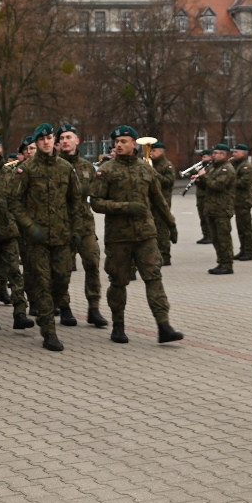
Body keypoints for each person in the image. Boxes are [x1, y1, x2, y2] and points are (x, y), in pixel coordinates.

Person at [89, 125, 182, 345]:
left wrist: (171, 224)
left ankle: (163, 325)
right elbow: (96, 203)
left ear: (134, 144)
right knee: (119, 282)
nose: (119, 145)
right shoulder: (106, 170)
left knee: (154, 277)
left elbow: (158, 200)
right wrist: (125, 207)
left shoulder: (146, 169)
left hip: (146, 234)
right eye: (117, 142)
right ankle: (118, 326)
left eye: (123, 141)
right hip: (118, 237)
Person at [11, 123, 89, 351]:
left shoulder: (65, 168)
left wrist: (76, 230)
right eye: (41, 138)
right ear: (36, 142)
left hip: (62, 236)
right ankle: (49, 331)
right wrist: (29, 227)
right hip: (37, 239)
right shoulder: (26, 170)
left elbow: (76, 201)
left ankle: (50, 312)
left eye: (49, 138)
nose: (46, 142)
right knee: (42, 284)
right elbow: (15, 202)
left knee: (61, 280)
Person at [0, 135, 34, 331]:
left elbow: (16, 198)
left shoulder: (9, 173)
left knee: (15, 273)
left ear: (0, 149)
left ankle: (20, 312)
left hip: (9, 231)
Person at [56, 123, 108, 327]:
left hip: (85, 224)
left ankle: (94, 308)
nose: (66, 141)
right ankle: (65, 307)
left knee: (92, 264)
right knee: (62, 270)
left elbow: (95, 194)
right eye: (62, 138)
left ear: (77, 140)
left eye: (69, 137)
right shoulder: (55, 166)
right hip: (62, 225)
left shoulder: (87, 167)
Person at [195, 143, 236, 274]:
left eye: (219, 153)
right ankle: (221, 262)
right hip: (211, 208)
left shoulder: (226, 169)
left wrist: (204, 177)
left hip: (222, 209)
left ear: (225, 155)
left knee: (223, 238)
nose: (215, 155)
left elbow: (217, 186)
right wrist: (198, 180)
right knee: (216, 238)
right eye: (215, 153)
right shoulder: (213, 168)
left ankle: (227, 264)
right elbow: (206, 187)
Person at [148, 142, 176, 266]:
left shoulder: (167, 165)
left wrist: (155, 174)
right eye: (151, 151)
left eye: (154, 151)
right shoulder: (150, 163)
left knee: (162, 229)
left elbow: (169, 182)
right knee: (153, 228)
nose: (151, 153)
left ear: (161, 151)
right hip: (151, 200)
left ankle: (165, 255)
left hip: (163, 201)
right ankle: (155, 253)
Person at [231, 143, 252, 261]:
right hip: (237, 200)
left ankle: (249, 251)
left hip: (244, 200)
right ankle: (243, 249)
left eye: (236, 152)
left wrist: (229, 179)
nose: (233, 154)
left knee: (246, 227)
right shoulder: (235, 165)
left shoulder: (246, 166)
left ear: (243, 153)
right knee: (240, 227)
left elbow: (243, 183)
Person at [192, 149, 213, 244]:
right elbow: (201, 184)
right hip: (200, 196)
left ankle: (210, 236)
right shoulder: (202, 168)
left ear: (210, 157)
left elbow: (209, 183)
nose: (202, 159)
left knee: (207, 217)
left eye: (205, 157)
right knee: (202, 217)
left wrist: (202, 177)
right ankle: (205, 235)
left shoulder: (211, 168)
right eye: (202, 157)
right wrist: (196, 179)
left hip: (207, 196)